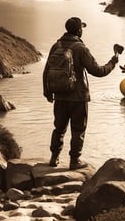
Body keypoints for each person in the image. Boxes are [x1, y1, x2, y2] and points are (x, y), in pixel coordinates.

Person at [43, 16, 119, 170]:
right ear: (78, 30)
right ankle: (74, 161)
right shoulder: (80, 48)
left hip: (59, 95)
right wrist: (113, 62)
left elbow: (46, 71)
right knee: (78, 130)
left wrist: (47, 92)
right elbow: (98, 71)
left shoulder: (56, 46)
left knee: (59, 128)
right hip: (78, 97)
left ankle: (54, 158)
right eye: (82, 28)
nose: (82, 30)